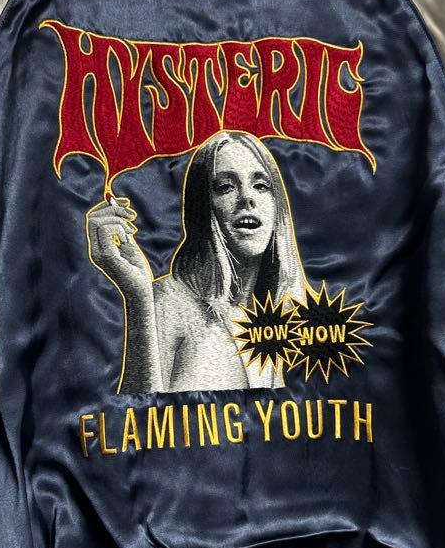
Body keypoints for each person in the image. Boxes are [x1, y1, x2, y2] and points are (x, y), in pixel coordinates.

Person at [86, 130, 309, 393]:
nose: (247, 199)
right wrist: (138, 298)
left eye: (261, 185)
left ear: (277, 206)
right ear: (202, 206)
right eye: (225, 187)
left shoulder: (283, 321)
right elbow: (138, 416)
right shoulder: (168, 302)